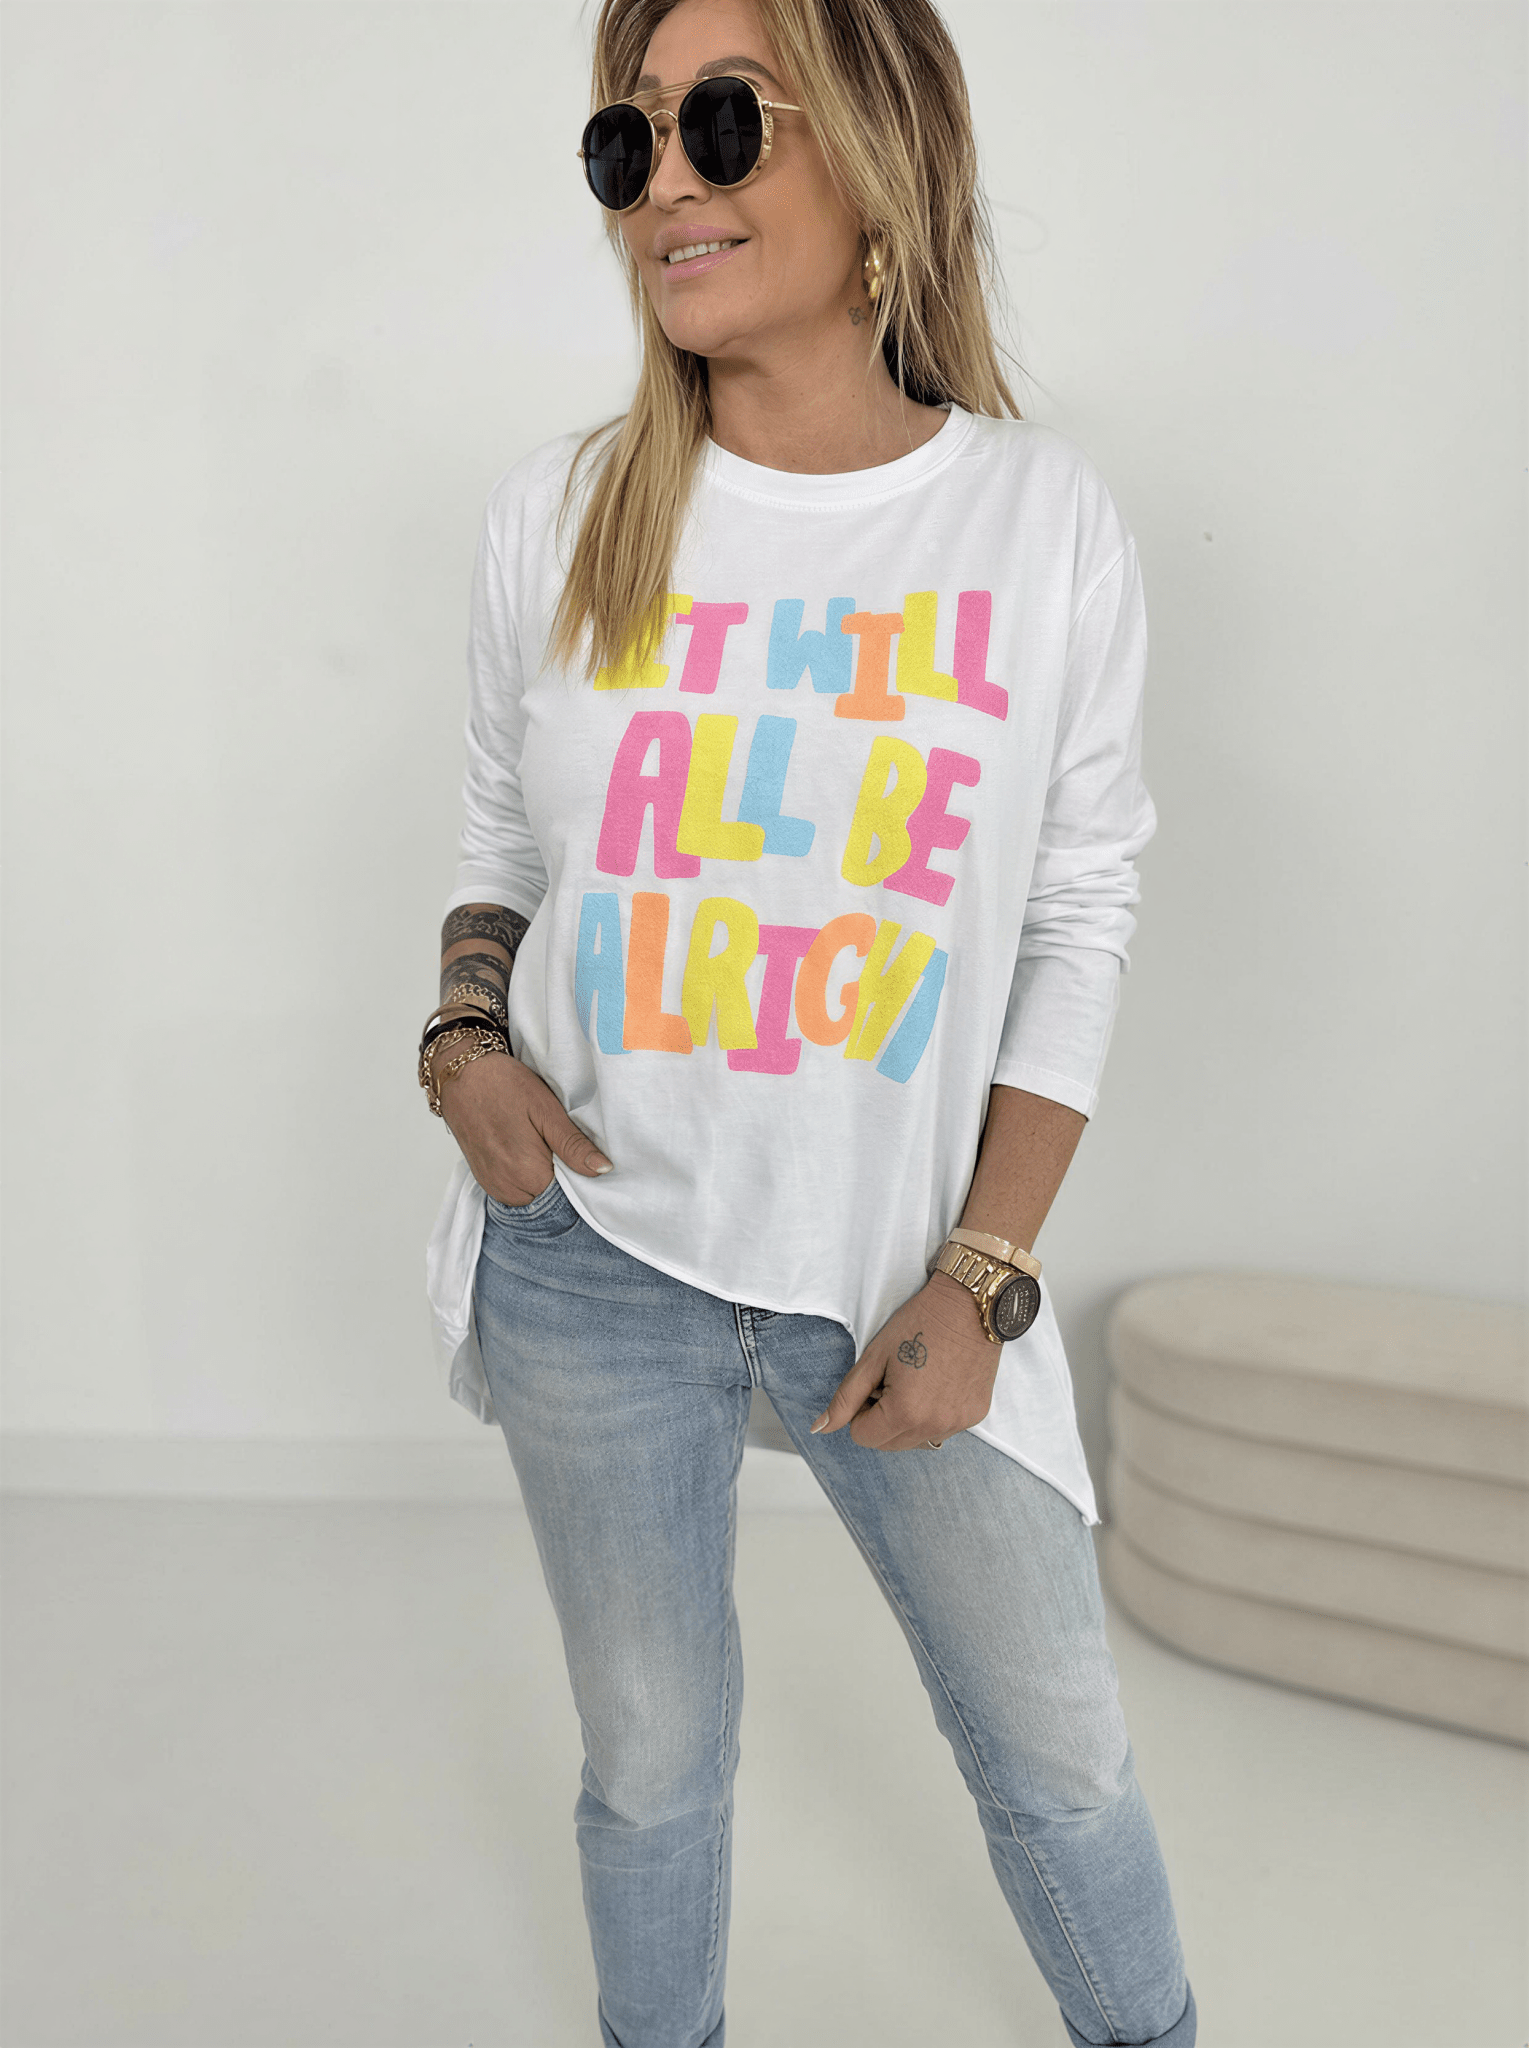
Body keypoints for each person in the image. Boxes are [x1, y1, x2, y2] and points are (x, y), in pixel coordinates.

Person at [419, 1, 1197, 2041]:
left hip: (901, 1270)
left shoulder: (1036, 522)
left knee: (1060, 1756)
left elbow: (1080, 914)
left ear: (877, 158)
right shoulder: (560, 514)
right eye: (627, 141)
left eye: (721, 123)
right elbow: (498, 844)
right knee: (649, 1766)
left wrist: (984, 1268)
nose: (662, 182)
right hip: (590, 1256)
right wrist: (462, 1044)